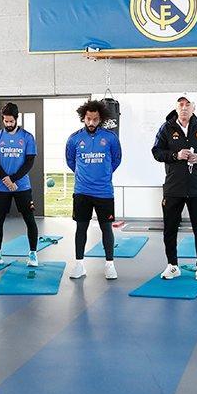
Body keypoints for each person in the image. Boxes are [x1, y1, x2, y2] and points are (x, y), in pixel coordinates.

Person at [152, 96, 197, 281]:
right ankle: (172, 266)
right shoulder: (166, 128)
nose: (184, 108)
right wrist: (176, 155)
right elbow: (156, 152)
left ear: (193, 108)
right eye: (181, 105)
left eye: (187, 105)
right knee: (170, 229)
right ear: (176, 108)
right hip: (173, 188)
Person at [66, 99, 122, 280]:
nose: (91, 123)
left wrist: (103, 174)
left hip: (104, 191)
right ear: (84, 118)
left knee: (107, 228)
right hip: (82, 191)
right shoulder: (74, 138)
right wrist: (84, 175)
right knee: (81, 228)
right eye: (88, 119)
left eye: (95, 119)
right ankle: (79, 265)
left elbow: (116, 159)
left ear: (101, 119)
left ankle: (109, 265)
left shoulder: (111, 138)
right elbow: (71, 161)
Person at [0, 102, 40, 268]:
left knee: (29, 219)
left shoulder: (27, 137)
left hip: (21, 186)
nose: (8, 124)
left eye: (11, 121)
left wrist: (14, 179)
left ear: (17, 119)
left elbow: (29, 162)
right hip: (1, 187)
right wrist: (6, 180)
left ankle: (33, 254)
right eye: (6, 121)